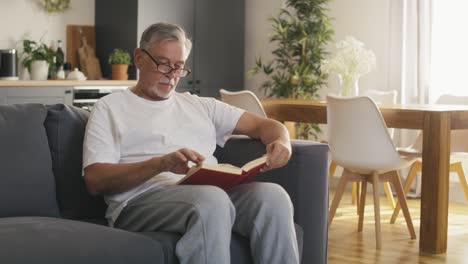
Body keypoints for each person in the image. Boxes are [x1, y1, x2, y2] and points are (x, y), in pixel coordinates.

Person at [83, 22, 299, 264]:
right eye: (163, 63)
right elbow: (95, 180)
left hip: (205, 192)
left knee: (273, 197)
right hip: (140, 201)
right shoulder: (109, 108)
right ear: (139, 58)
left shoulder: (200, 105)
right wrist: (161, 164)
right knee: (210, 201)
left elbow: (265, 126)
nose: (172, 74)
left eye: (178, 67)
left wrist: (282, 142)